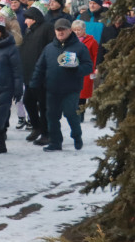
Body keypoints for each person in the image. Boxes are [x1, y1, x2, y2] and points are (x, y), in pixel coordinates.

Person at [30, 19, 93, 152]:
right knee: (52, 116)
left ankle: (77, 136)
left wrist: (76, 68)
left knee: (70, 113)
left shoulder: (80, 47)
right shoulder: (49, 48)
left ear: (70, 30)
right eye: (58, 29)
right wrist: (34, 83)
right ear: (55, 31)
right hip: (52, 88)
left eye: (63, 29)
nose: (60, 32)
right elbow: (40, 67)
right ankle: (55, 142)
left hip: (71, 89)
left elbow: (88, 66)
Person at [0, 14, 24, 156]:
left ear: (2, 32)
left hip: (5, 88)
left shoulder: (11, 48)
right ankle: (1, 145)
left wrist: (18, 88)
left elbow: (17, 70)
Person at [20, 3, 54, 146]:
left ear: (33, 18)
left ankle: (47, 133)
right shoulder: (30, 31)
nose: (25, 22)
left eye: (26, 19)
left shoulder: (46, 28)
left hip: (42, 75)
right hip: (29, 75)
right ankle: (37, 127)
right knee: (28, 101)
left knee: (44, 105)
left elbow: (51, 48)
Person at [70, 20, 98, 120]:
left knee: (83, 93)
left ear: (84, 30)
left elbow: (95, 56)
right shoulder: (70, 41)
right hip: (72, 69)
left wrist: (95, 68)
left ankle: (80, 113)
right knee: (73, 91)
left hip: (86, 70)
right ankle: (74, 112)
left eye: (79, 30)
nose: (77, 32)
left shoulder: (92, 41)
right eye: (74, 30)